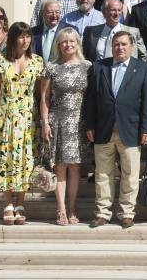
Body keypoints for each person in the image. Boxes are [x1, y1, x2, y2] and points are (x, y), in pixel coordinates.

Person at [85, 31, 147, 228]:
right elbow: (91, 99)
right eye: (116, 44)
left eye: (124, 44)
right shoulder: (99, 67)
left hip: (131, 130)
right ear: (111, 47)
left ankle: (126, 213)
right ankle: (102, 213)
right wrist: (90, 125)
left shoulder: (142, 68)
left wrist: (146, 128)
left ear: (131, 47)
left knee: (130, 174)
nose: (120, 48)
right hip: (103, 129)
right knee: (102, 174)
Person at [0, 22, 43, 225]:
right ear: (13, 39)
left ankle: (20, 202)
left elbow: (39, 94)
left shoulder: (37, 61)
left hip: (28, 118)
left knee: (25, 160)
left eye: (28, 36)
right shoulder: (0, 61)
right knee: (6, 159)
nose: (25, 40)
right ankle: (7, 202)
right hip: (5, 116)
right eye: (20, 36)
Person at [40, 27, 91, 225]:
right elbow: (44, 98)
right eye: (64, 42)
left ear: (77, 43)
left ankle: (72, 208)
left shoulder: (88, 66)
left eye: (72, 41)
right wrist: (45, 122)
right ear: (58, 45)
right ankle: (60, 209)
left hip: (79, 122)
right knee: (59, 167)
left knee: (75, 168)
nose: (68, 45)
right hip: (58, 121)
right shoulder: (51, 67)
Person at [82, 0, 147, 62]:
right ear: (104, 12)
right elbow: (85, 56)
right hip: (98, 70)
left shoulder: (133, 32)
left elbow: (143, 56)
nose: (117, 13)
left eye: (119, 10)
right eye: (113, 10)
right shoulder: (91, 32)